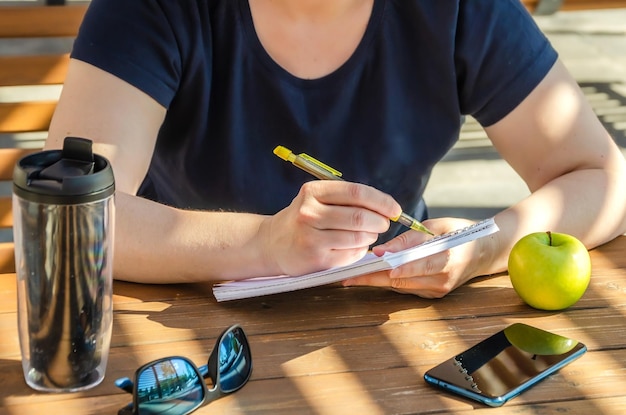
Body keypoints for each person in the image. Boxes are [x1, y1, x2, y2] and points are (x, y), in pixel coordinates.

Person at [45, 0, 626, 298]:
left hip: (391, 320)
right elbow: (68, 216)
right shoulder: (155, 9)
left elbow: (604, 179)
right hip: (183, 322)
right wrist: (266, 244)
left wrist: (483, 246)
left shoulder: (459, 10)